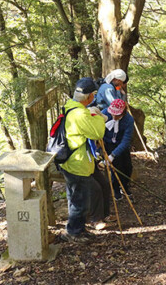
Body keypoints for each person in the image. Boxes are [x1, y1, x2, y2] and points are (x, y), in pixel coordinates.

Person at [59, 77, 107, 243]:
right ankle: (73, 232)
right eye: (93, 94)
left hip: (70, 161)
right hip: (77, 163)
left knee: (75, 198)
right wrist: (100, 117)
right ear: (88, 97)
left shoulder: (71, 106)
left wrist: (91, 113)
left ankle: (78, 228)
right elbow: (97, 133)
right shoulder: (79, 113)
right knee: (80, 200)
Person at [101, 98, 135, 202]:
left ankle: (124, 186)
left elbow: (126, 141)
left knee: (128, 167)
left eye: (117, 114)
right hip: (108, 143)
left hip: (121, 144)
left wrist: (113, 155)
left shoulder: (129, 120)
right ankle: (116, 189)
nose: (114, 116)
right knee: (116, 167)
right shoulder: (104, 114)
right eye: (113, 114)